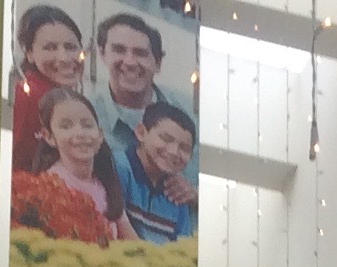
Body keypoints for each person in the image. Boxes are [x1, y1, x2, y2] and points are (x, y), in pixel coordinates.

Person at [93, 13, 196, 216]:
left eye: (140, 53)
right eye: (119, 50)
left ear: (158, 63)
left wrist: (194, 194)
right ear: (102, 54)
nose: (130, 62)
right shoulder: (87, 114)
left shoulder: (190, 115)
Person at [11, 87, 133, 245]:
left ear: (100, 134)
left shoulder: (106, 181)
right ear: (48, 137)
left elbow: (132, 241)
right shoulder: (48, 187)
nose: (80, 133)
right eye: (66, 126)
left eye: (87, 125)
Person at [118, 99, 198, 243]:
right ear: (141, 132)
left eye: (184, 148)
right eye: (166, 139)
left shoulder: (177, 192)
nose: (174, 151)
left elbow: (182, 248)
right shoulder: (120, 168)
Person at [9, 6, 87, 152]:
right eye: (50, 48)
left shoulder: (68, 99)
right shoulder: (27, 97)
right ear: (29, 53)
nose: (64, 58)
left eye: (70, 47)